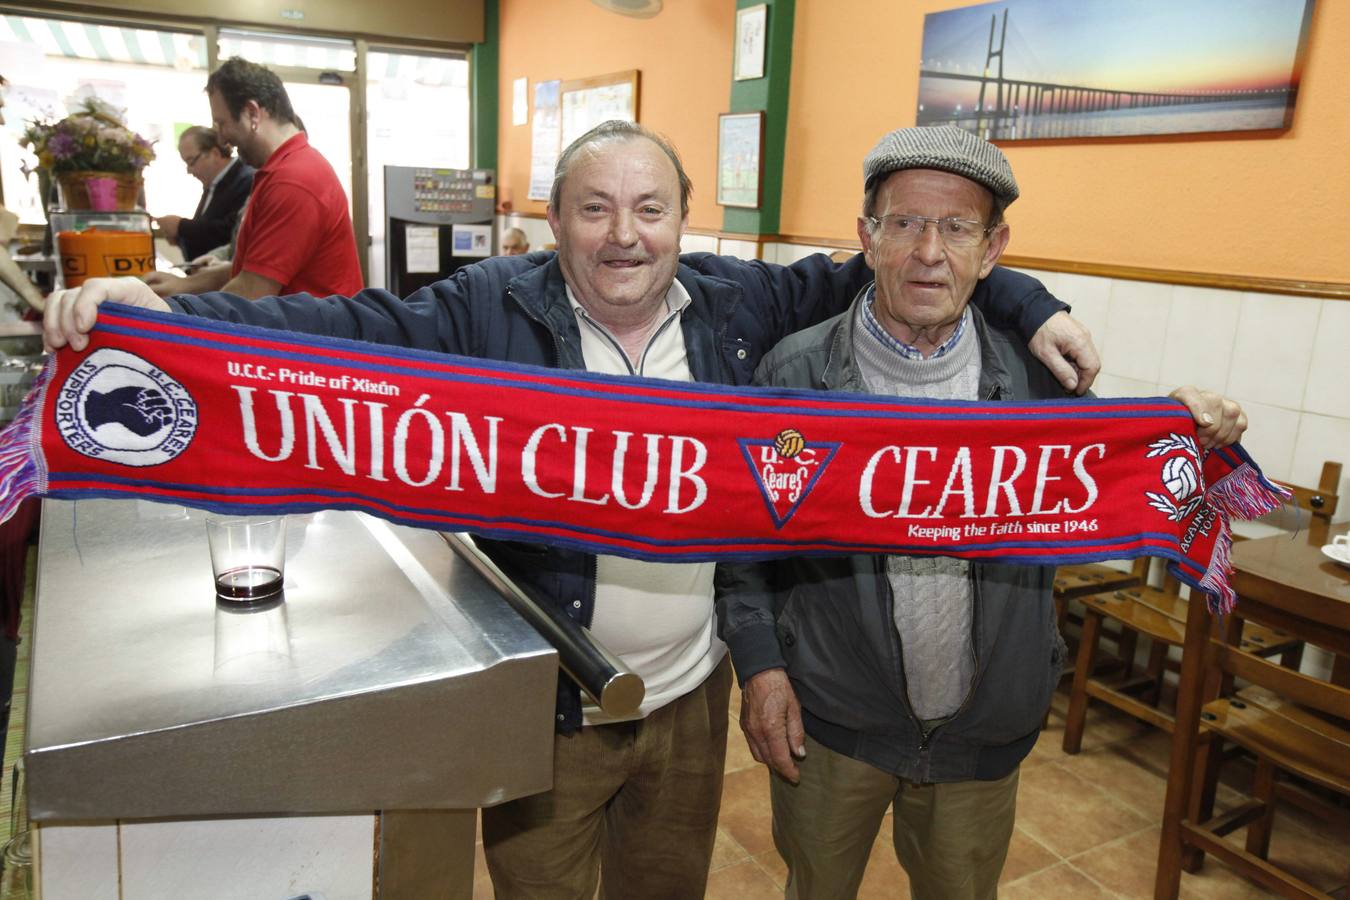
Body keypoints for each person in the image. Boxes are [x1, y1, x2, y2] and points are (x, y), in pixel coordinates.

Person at [44, 120, 1101, 899]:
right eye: (595, 208)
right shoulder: (486, 309)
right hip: (550, 705)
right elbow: (347, 326)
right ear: (554, 222)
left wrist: (1030, 301)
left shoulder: (740, 305)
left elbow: (916, 263)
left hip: (687, 700)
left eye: (650, 209)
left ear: (688, 221)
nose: (624, 236)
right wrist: (178, 315)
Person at [716, 126, 1246, 900]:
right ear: (867, 237)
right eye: (905, 223)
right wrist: (762, 669)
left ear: (993, 248)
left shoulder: (1040, 384)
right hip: (833, 723)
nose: (929, 251)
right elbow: (744, 545)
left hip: (983, 731)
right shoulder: (794, 373)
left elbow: (1114, 473)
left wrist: (1183, 428)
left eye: (957, 227)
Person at [146, 58, 362, 300]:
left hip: (309, 336)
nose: (221, 139)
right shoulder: (283, 169)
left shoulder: (293, 180)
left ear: (252, 113)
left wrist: (177, 308)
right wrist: (183, 286)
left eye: (222, 123)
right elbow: (253, 268)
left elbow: (251, 291)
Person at [153, 126, 254, 262]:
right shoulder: (213, 183)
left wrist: (181, 227)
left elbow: (230, 233)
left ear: (214, 153)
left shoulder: (246, 179)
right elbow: (205, 233)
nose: (189, 170)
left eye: (191, 162)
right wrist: (179, 237)